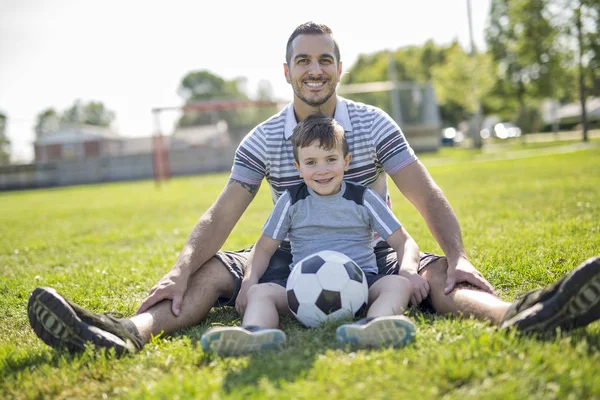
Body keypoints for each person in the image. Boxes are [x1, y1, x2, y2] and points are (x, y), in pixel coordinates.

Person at [27, 22, 600, 357]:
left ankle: (517, 314)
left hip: (367, 251)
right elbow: (222, 214)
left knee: (427, 273)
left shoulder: (375, 124)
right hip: (289, 252)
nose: (314, 69)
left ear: (339, 67)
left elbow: (424, 194)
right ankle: (128, 333)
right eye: (303, 60)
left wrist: (459, 255)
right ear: (287, 72)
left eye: (324, 59)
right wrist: (180, 267)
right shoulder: (261, 137)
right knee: (213, 273)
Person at [200, 115, 426, 356]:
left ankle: (374, 325)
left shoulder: (363, 198)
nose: (322, 170)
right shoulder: (290, 200)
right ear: (298, 168)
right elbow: (264, 248)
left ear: (346, 161)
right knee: (260, 293)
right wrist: (248, 283)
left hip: (361, 287)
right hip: (300, 291)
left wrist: (408, 272)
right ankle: (256, 333)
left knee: (398, 284)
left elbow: (404, 241)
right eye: (311, 162)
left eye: (331, 159)